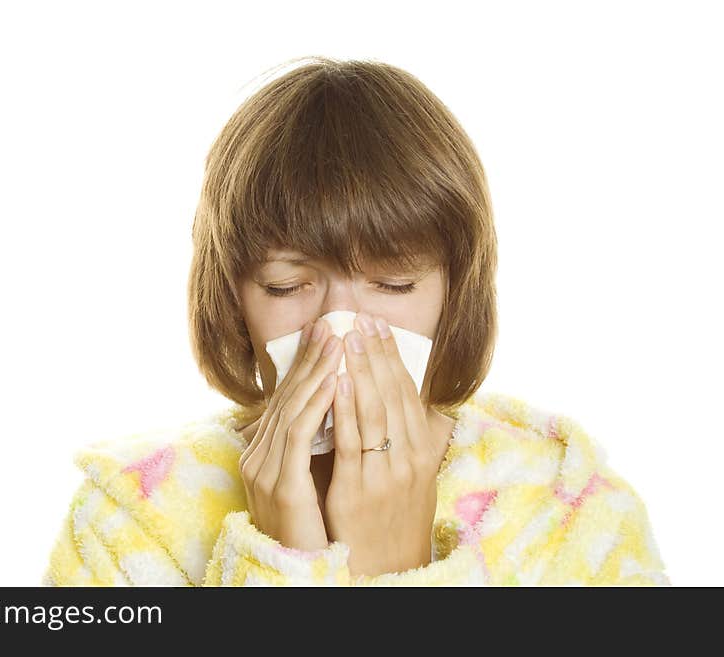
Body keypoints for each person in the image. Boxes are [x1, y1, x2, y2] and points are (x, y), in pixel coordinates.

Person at [42, 56, 670, 586]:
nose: (338, 328)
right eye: (286, 285)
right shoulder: (128, 519)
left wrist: (396, 568)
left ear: (456, 292)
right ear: (232, 296)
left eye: (393, 282)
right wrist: (282, 559)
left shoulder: (567, 513)